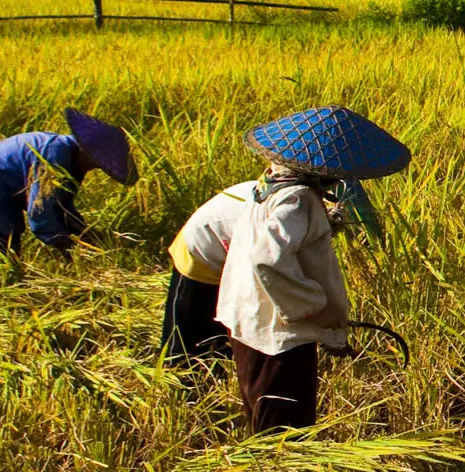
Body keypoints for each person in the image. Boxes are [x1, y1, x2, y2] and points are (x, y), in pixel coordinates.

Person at [217, 106, 412, 432]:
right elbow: (266, 256)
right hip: (278, 334)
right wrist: (312, 304)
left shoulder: (269, 185)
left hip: (249, 318)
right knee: (285, 431)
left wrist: (329, 223)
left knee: (263, 417)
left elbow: (290, 243)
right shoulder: (298, 199)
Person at [164, 174, 375, 362]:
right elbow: (266, 263)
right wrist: (315, 312)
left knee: (233, 334)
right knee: (188, 344)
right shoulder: (293, 206)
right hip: (202, 249)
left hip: (240, 252)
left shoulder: (297, 201)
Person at [0, 109, 134, 254]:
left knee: (8, 259)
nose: (93, 168)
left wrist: (86, 235)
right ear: (86, 150)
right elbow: (41, 214)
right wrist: (71, 247)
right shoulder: (55, 156)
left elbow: (62, 209)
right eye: (96, 163)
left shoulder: (72, 162)